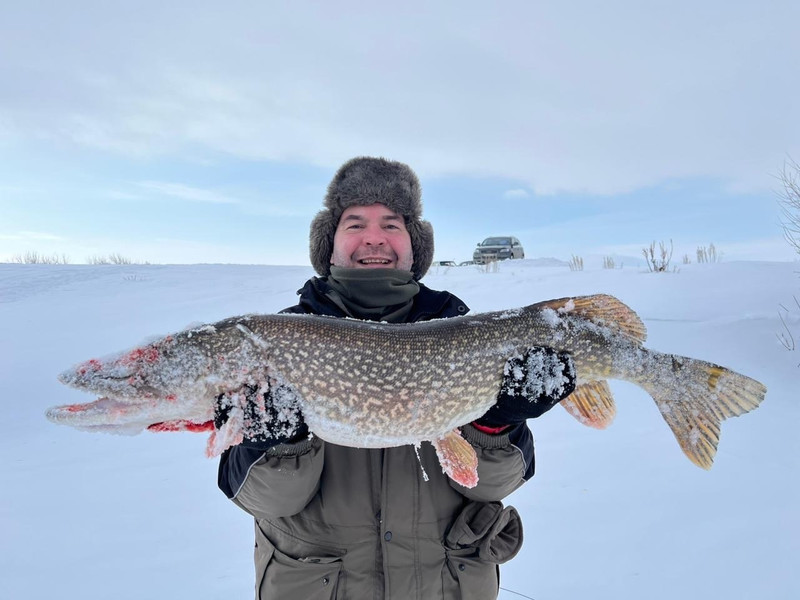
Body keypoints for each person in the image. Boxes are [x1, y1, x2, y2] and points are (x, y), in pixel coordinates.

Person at [216, 156, 576, 600]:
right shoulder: (275, 342)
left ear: (413, 245)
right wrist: (277, 443)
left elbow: (491, 487)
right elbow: (266, 503)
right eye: (354, 224)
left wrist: (495, 425)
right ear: (328, 245)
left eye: (391, 224)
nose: (374, 238)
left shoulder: (461, 328)